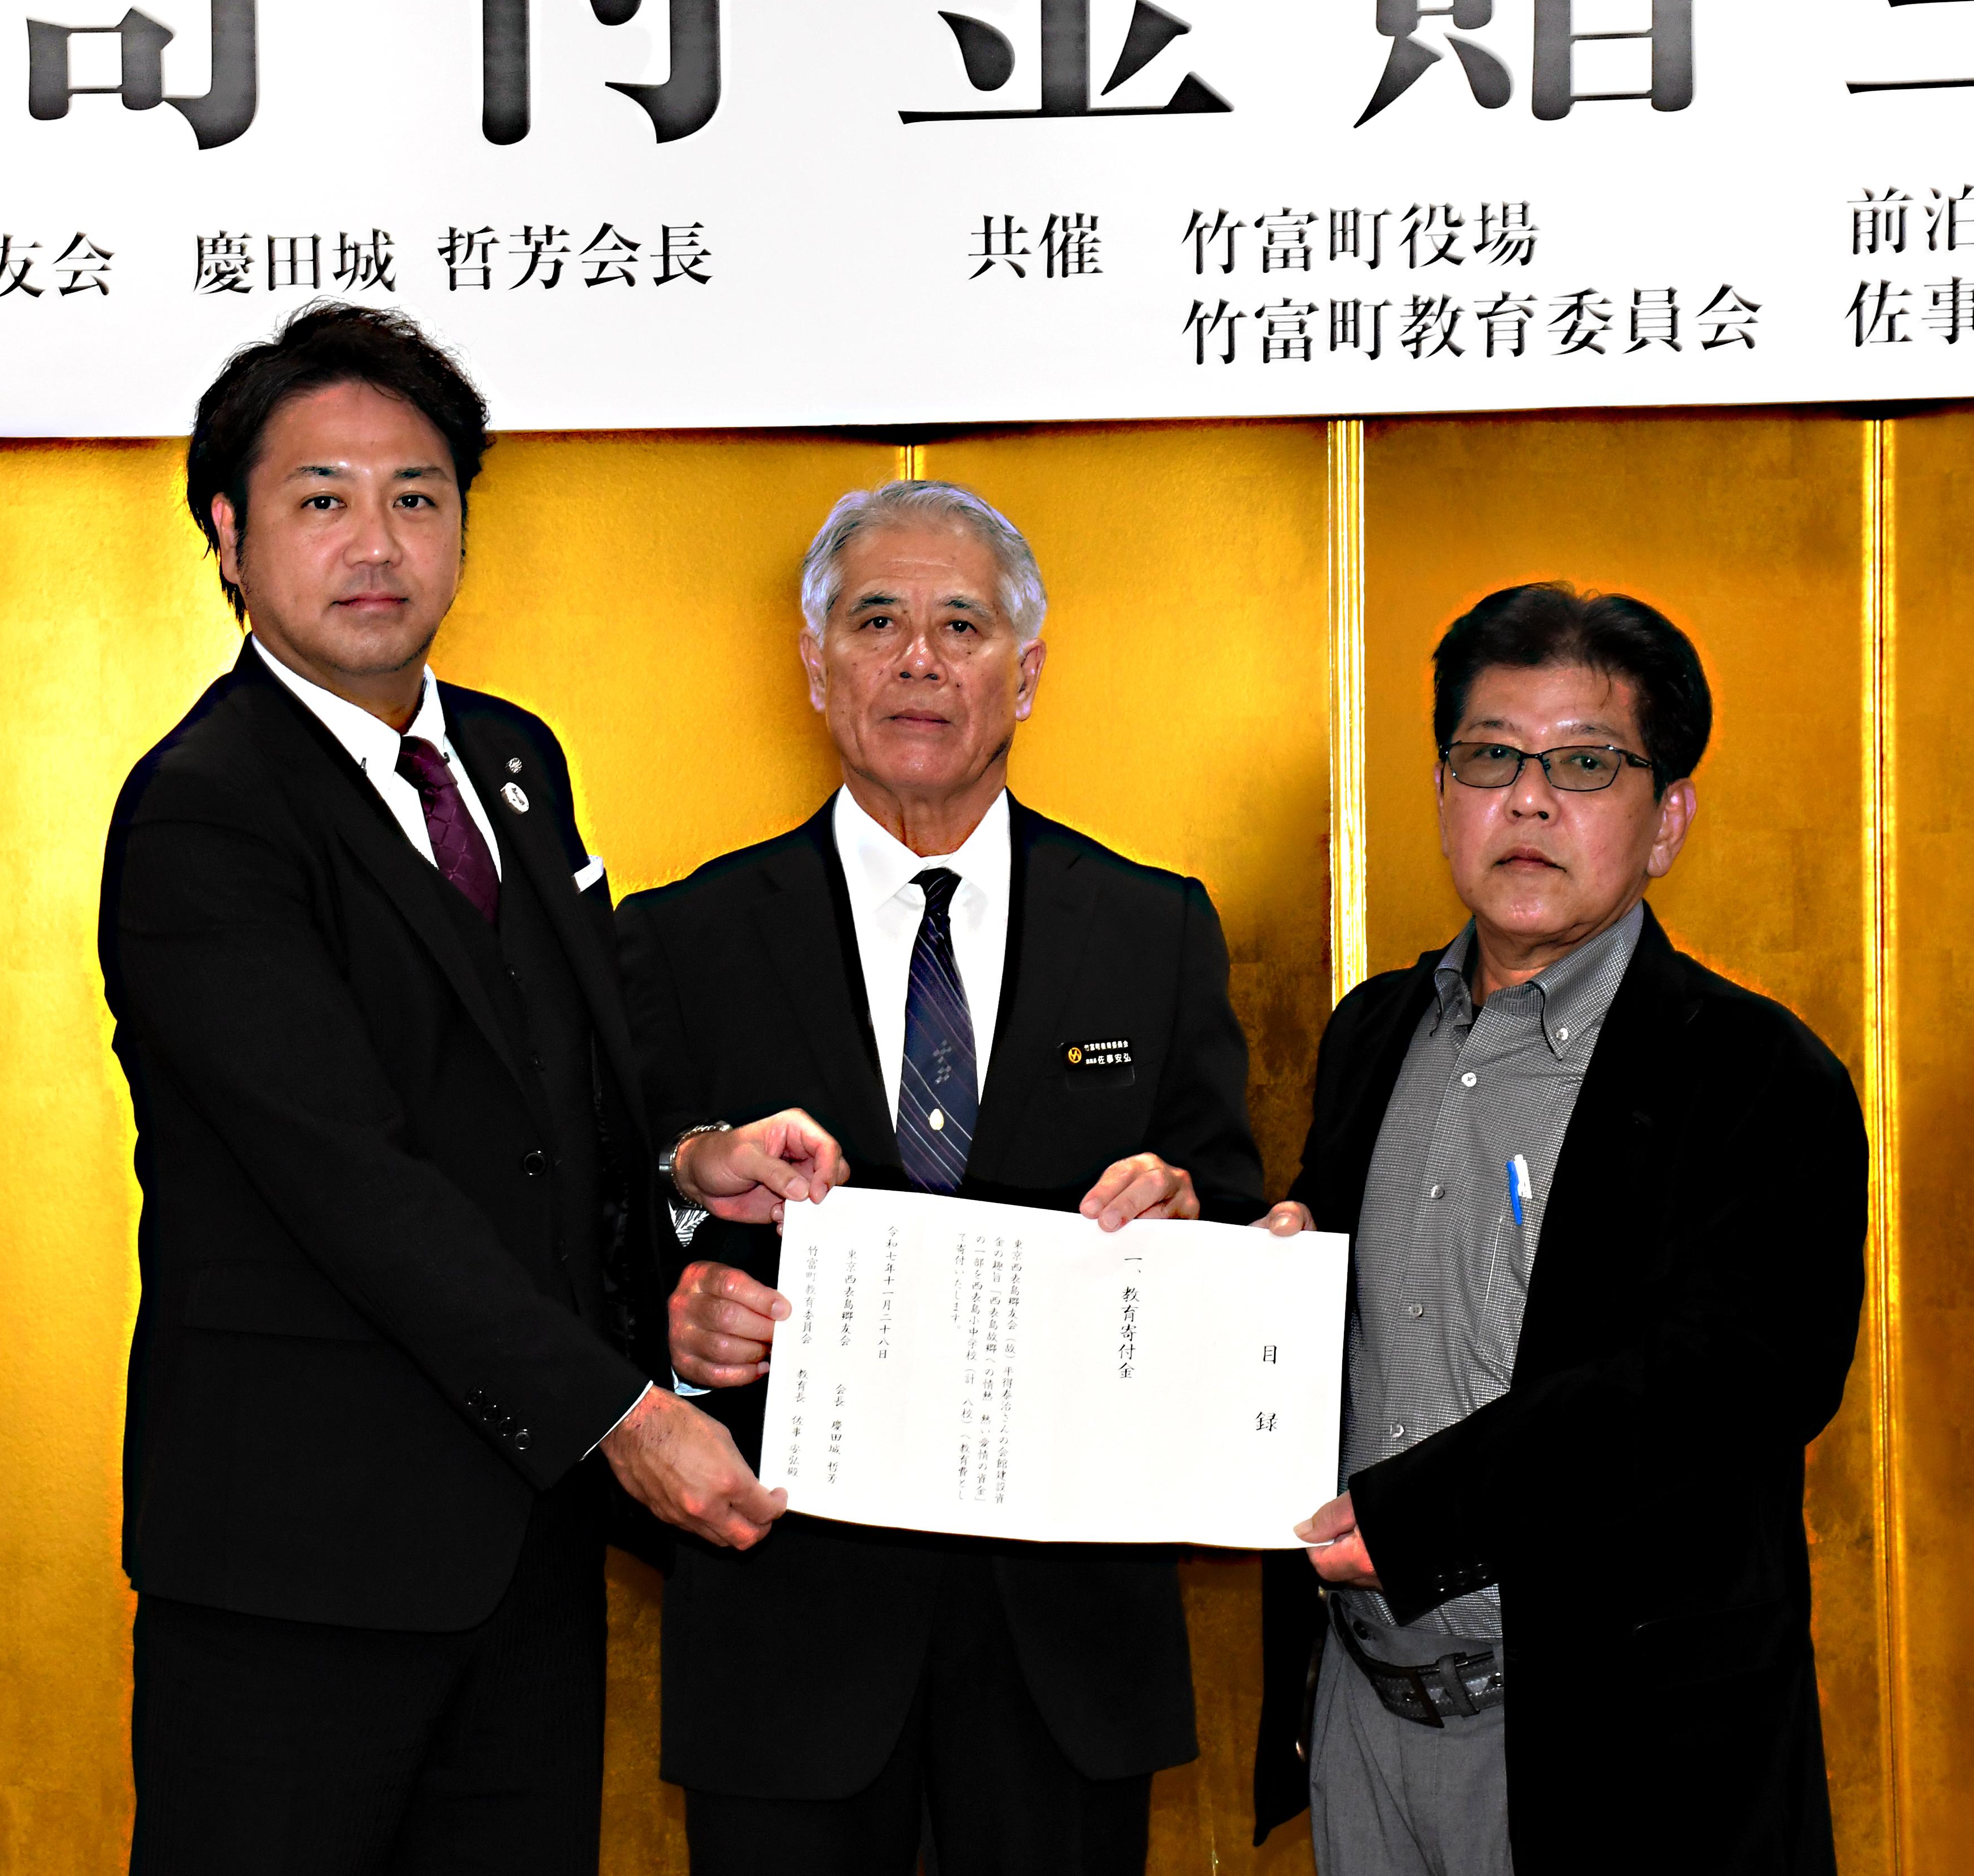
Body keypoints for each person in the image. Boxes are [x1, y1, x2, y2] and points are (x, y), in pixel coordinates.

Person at [101, 302, 833, 1876]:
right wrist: (624, 1414)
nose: (378, 542)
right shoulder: (205, 814)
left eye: (417, 495)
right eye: (322, 498)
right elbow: (349, 1181)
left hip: (525, 1546)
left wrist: (690, 1158)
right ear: (228, 533)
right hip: (299, 1567)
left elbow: (570, 1076)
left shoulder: (512, 759)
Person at [615, 479, 1266, 1876]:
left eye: (961, 624)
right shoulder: (681, 935)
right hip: (786, 1628)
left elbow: (1228, 1199)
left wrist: (1186, 1217)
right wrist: (674, 1316)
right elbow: (602, 1222)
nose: (919, 658)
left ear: (1026, 671)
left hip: (1066, 1641)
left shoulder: (1151, 927)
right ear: (814, 663)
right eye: (878, 621)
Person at [1250, 582, 1868, 1876]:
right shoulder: (1375, 1029)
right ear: (1442, 792)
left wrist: (1419, 1515)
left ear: (1668, 816)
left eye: (1585, 763)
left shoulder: (1757, 1075)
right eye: (1490, 756)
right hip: (1364, 1719)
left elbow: (1729, 1381)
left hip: (1620, 1745)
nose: (1528, 799)